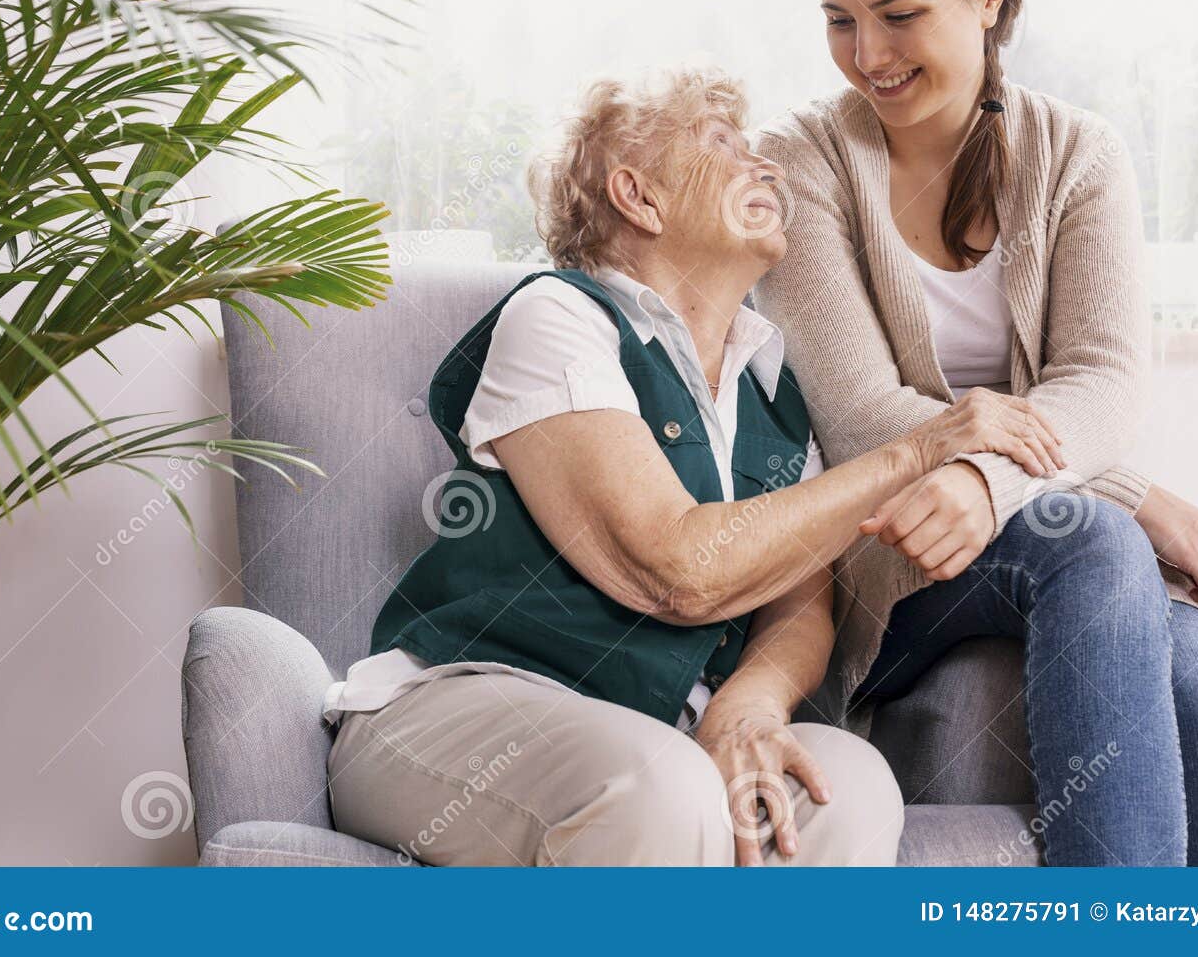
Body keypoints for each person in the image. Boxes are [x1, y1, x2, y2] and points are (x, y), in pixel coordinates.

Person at [324, 67, 1060, 865]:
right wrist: (921, 448)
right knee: (664, 785)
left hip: (658, 738)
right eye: (721, 144)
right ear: (639, 196)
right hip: (458, 712)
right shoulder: (562, 315)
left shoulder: (773, 393)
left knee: (847, 786)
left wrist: (750, 703)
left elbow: (798, 605)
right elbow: (676, 567)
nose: (766, 166)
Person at [753, 0, 1198, 865]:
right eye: (839, 20)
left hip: (1022, 511)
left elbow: (1103, 379)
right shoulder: (803, 160)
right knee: (1092, 536)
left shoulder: (1078, 152)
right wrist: (1127, 490)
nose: (867, 53)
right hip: (881, 541)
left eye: (898, 15)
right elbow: (855, 407)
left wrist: (1004, 475)